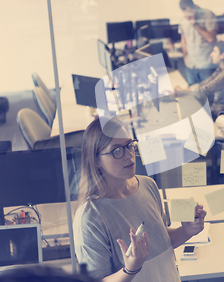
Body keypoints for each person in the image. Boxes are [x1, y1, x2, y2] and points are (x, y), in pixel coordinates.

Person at [73, 117, 207, 281]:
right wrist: (130, 270)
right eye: (117, 150)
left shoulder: (147, 185)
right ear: (96, 160)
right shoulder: (89, 216)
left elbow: (160, 241)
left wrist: (186, 231)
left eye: (130, 145)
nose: (129, 155)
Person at [177, 42, 224, 118]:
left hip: (223, 114)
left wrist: (183, 91)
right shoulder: (221, 69)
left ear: (222, 55)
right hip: (215, 110)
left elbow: (206, 89)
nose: (211, 54)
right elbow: (204, 84)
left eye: (214, 51)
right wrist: (185, 90)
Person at [178, 0, 218, 85]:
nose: (186, 17)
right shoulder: (182, 19)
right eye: (184, 14)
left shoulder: (207, 15)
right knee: (193, 93)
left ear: (193, 7)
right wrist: (185, 58)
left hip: (205, 63)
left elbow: (211, 38)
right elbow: (183, 41)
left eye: (188, 13)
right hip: (190, 64)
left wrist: (195, 24)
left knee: (207, 93)